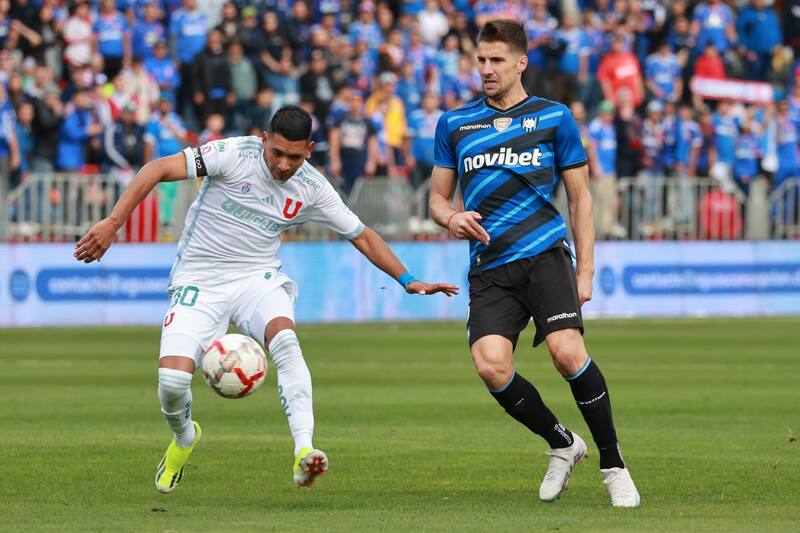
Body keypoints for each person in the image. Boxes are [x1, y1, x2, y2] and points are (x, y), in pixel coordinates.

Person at [74, 106, 458, 494]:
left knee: (286, 343)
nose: (284, 164)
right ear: (263, 139)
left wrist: (408, 280)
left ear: (309, 148)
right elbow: (156, 169)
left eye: (295, 156)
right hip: (199, 280)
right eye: (277, 153)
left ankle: (304, 450)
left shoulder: (312, 187)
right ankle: (186, 437)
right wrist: (113, 222)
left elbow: (361, 235)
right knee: (172, 383)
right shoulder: (232, 155)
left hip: (257, 279)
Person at [428, 19, 640, 508]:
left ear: (520, 62)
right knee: (490, 366)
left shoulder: (553, 117)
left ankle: (613, 464)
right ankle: (564, 444)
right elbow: (437, 200)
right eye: (481, 59)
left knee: (567, 352)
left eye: (497, 60)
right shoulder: (455, 124)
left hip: (545, 255)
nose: (486, 69)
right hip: (490, 266)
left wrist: (585, 269)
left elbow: (580, 198)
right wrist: (451, 217)